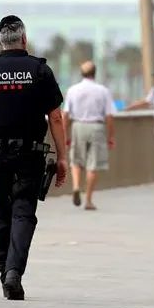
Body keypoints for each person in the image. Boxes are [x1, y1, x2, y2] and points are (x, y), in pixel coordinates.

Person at [0, 15, 67, 301]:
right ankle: (14, 272)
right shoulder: (39, 70)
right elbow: (56, 117)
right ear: (24, 39)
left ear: (0, 42)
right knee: (24, 212)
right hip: (30, 153)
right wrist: (63, 157)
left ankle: (4, 270)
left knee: (2, 213)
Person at [63, 61, 116, 210]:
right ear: (95, 73)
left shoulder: (73, 90)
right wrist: (111, 136)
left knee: (76, 160)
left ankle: (75, 186)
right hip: (97, 127)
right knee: (94, 164)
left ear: (82, 73)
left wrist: (64, 133)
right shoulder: (103, 91)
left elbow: (65, 115)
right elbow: (110, 116)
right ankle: (88, 200)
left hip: (78, 126)